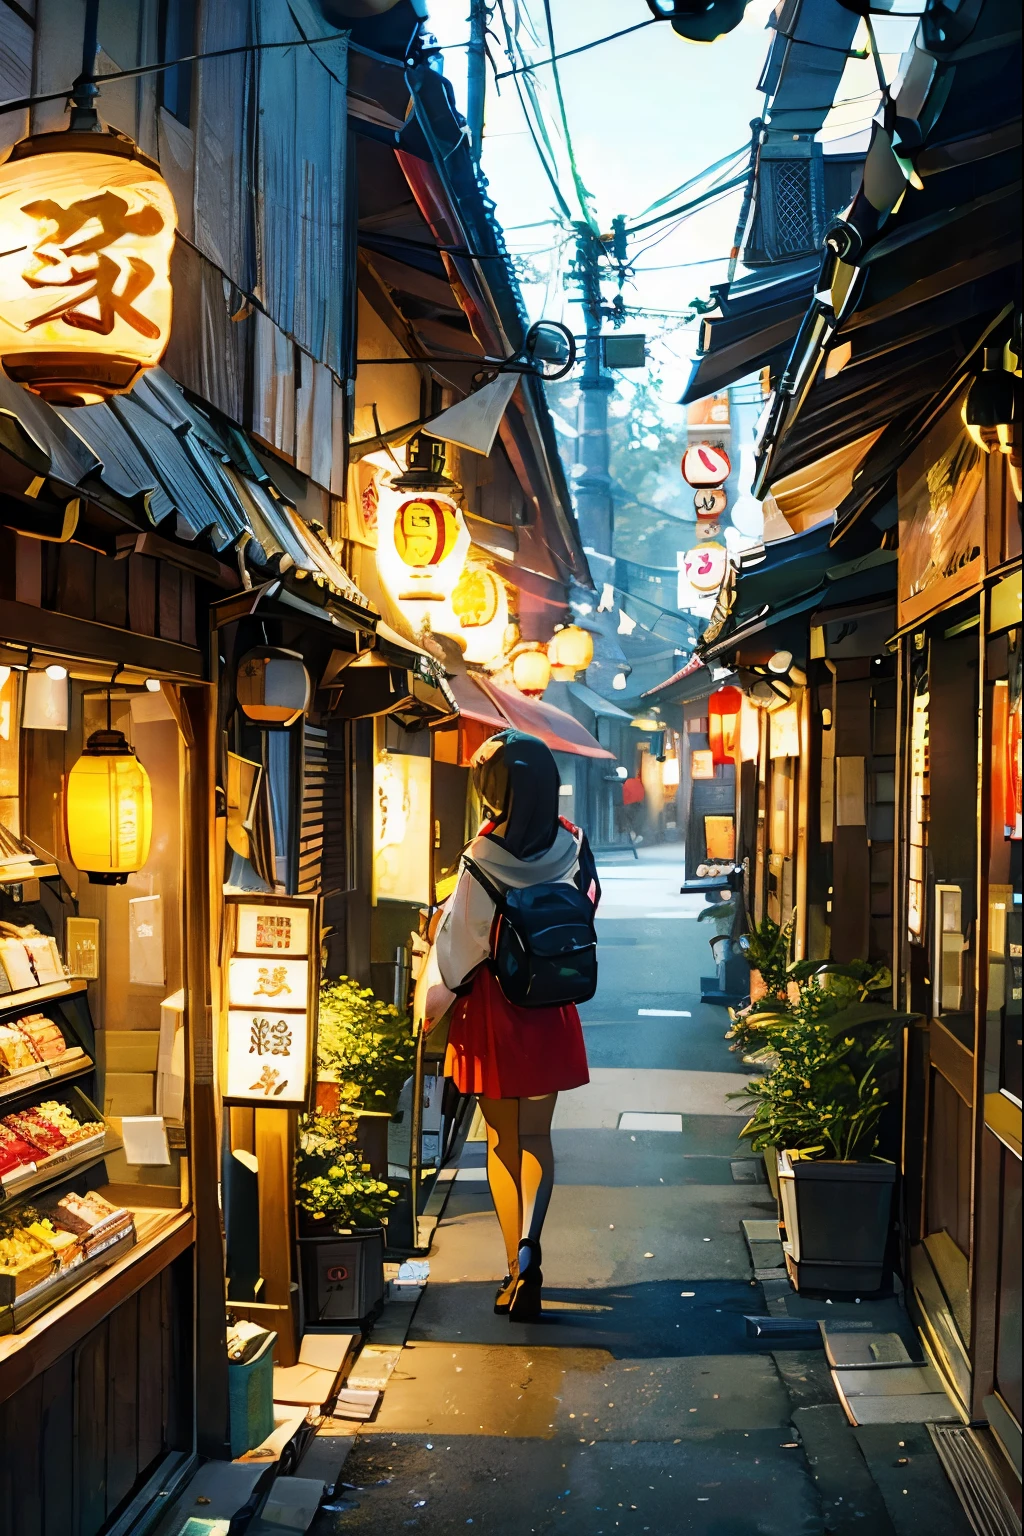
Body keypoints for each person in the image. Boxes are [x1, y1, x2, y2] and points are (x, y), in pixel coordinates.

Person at [417, 730, 599, 1322]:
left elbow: (461, 950)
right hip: (551, 1001)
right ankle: (532, 1249)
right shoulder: (574, 843)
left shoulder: (481, 856)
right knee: (540, 1140)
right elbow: (588, 904)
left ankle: (510, 1265)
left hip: (496, 1009)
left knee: (502, 1140)